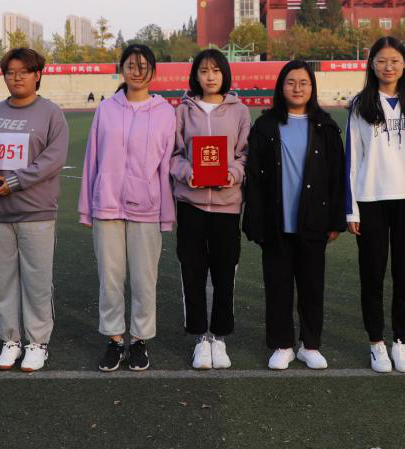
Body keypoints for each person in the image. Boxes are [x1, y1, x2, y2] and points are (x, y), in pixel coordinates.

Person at [243, 60, 347, 370]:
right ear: (281, 87)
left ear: (312, 87)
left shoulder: (325, 127)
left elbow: (337, 176)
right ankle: (282, 344)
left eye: (303, 82)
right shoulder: (265, 126)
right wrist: (255, 220)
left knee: (312, 287)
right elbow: (253, 178)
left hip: (314, 222)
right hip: (276, 223)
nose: (297, 88)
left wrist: (335, 220)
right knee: (278, 286)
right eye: (291, 82)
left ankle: (310, 345)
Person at [79, 44, 176, 373]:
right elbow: (92, 158)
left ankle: (139, 340)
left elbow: (166, 166)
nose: (137, 71)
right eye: (131, 65)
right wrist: (86, 207)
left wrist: (166, 214)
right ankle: (115, 339)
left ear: (153, 72)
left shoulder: (165, 113)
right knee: (110, 278)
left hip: (147, 208)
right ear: (122, 69)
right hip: (107, 206)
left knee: (144, 279)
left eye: (143, 65)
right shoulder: (106, 109)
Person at [0, 48, 70, 374]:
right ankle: (10, 339)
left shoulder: (51, 114)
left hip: (35, 211)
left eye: (24, 72)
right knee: (1, 283)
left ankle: (37, 342)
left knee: (37, 282)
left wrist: (15, 182)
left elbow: (53, 159)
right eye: (10, 72)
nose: (16, 78)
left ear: (37, 75)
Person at [346, 38, 405, 374]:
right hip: (370, 199)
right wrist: (351, 209)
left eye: (395, 60)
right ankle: (376, 343)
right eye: (382, 61)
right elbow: (352, 159)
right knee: (372, 274)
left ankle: (400, 340)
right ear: (371, 64)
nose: (389, 67)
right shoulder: (360, 104)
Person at [171, 49, 250, 370]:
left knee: (224, 271)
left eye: (216, 70)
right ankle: (200, 338)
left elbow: (245, 155)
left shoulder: (240, 111)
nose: (210, 76)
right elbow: (173, 154)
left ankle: (219, 336)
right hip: (190, 204)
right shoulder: (182, 111)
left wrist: (233, 173)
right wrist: (186, 172)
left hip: (227, 205)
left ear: (225, 74)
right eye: (204, 71)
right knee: (192, 270)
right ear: (196, 76)